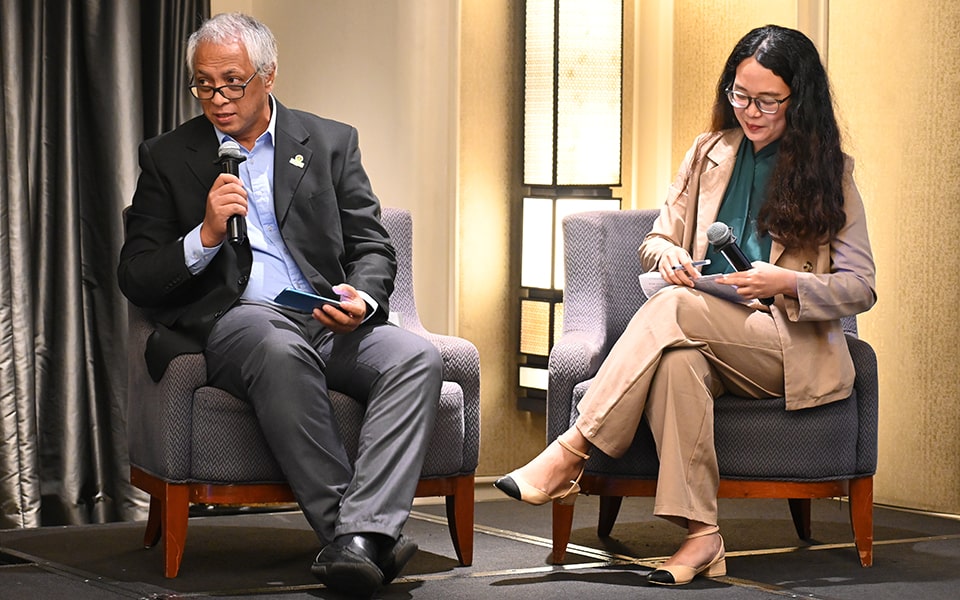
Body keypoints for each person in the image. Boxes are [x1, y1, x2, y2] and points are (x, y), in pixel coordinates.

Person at [495, 24, 876, 586]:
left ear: (800, 99)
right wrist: (668, 253)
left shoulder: (830, 173)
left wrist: (785, 283)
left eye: (768, 100)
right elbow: (654, 239)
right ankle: (702, 538)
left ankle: (572, 450)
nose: (750, 111)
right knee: (677, 363)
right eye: (739, 95)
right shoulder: (708, 152)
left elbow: (861, 286)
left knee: (674, 308)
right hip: (710, 327)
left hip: (784, 346)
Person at [117, 13, 441, 597]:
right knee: (276, 345)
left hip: (325, 314)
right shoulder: (168, 157)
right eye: (203, 84)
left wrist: (362, 298)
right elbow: (136, 274)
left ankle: (359, 541)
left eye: (232, 82)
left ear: (268, 75)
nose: (216, 98)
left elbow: (371, 243)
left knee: (416, 357)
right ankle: (363, 535)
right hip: (240, 321)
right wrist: (205, 235)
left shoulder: (330, 141)